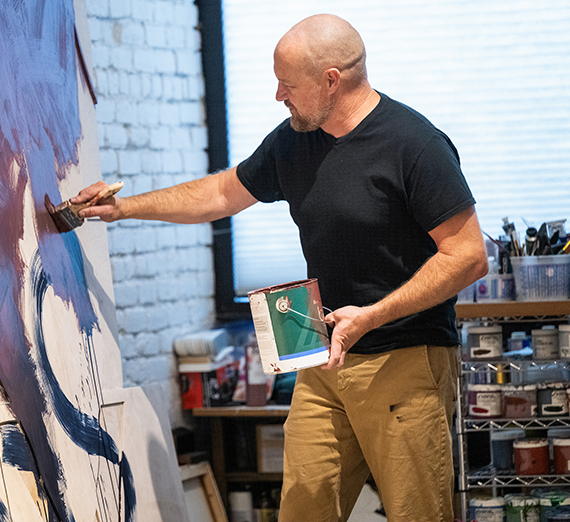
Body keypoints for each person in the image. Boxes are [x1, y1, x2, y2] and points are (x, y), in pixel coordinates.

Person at [76, 14, 488, 522]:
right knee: (303, 509)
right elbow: (221, 193)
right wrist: (125, 207)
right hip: (322, 358)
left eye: (287, 84)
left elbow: (468, 256)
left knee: (417, 513)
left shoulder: (415, 145)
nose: (277, 95)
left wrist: (374, 315)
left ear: (331, 80)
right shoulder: (295, 140)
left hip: (403, 359)